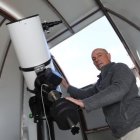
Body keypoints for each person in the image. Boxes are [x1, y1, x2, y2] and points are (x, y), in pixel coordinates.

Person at [61, 48, 140, 140]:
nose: (97, 60)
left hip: (136, 125)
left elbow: (119, 89)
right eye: (94, 59)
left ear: (108, 56)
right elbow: (85, 95)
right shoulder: (100, 82)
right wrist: (66, 86)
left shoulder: (120, 67)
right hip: (120, 132)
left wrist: (85, 103)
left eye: (99, 55)